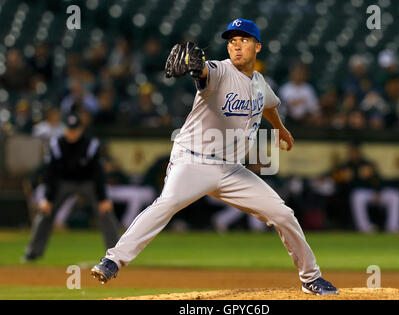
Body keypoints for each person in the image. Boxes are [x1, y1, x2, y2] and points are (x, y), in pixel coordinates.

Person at [91, 18, 338, 296]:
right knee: (167, 203)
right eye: (232, 41)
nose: (236, 45)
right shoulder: (220, 71)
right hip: (193, 161)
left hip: (231, 170)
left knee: (283, 214)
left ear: (258, 47)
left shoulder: (259, 82)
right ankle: (113, 260)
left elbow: (269, 104)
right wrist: (197, 67)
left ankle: (311, 278)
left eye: (243, 40)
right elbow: (204, 72)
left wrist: (281, 129)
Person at [23, 113, 120, 262]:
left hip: (88, 182)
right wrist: (48, 199)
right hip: (63, 182)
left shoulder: (91, 144)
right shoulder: (57, 144)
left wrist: (103, 198)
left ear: (80, 129)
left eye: (74, 130)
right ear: (64, 129)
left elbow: (97, 173)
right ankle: (33, 252)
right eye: (69, 129)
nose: (72, 133)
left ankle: (116, 254)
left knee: (105, 211)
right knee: (45, 212)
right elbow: (51, 173)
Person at [332, 142, 399, 233]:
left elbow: (378, 179)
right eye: (352, 152)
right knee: (357, 196)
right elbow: (341, 184)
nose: (354, 154)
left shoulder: (367, 164)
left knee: (395, 196)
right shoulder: (346, 166)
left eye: (356, 152)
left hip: (375, 192)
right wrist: (351, 177)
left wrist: (378, 190)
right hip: (362, 193)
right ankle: (365, 227)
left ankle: (393, 227)